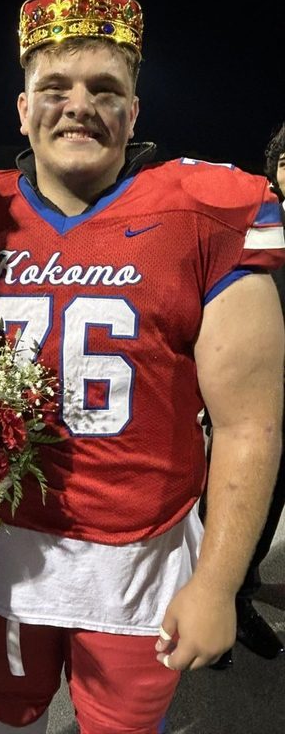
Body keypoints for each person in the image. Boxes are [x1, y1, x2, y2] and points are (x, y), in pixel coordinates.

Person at [0, 0, 285, 734]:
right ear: (23, 111)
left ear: (133, 111)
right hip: (3, 552)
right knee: (12, 714)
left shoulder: (207, 211)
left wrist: (220, 583)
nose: (79, 104)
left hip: (139, 558)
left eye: (105, 88)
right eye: (54, 86)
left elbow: (249, 425)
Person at [211, 122, 285, 667]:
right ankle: (227, 600)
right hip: (253, 399)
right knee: (239, 501)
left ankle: (247, 578)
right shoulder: (256, 226)